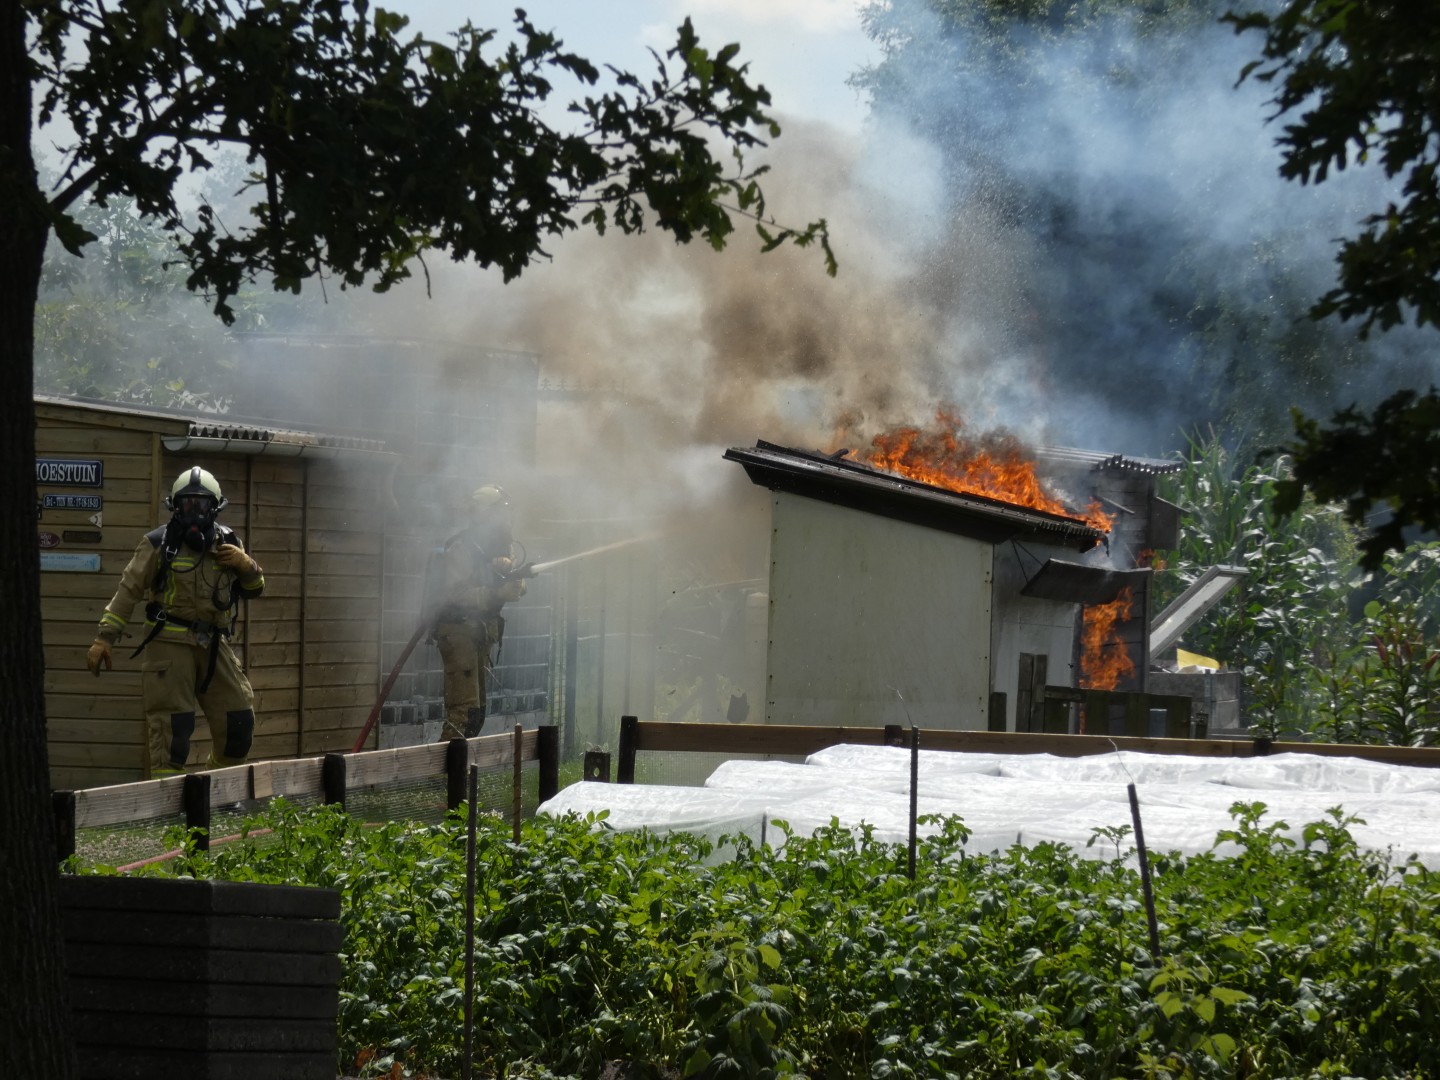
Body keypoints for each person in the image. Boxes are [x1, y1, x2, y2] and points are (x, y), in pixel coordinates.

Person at [86, 466, 265, 777]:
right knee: (173, 732)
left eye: (202, 504)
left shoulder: (230, 543)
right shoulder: (158, 543)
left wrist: (248, 567)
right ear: (174, 506)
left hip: (213, 645)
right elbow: (128, 590)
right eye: (187, 503)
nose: (194, 511)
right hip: (168, 645)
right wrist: (105, 637)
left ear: (216, 507)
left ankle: (218, 792)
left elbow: (254, 590)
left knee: (238, 721)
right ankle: (169, 813)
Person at [428, 484, 529, 740]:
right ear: (484, 515)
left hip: (477, 634)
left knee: (477, 714)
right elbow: (454, 596)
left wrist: (515, 583)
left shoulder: (499, 547)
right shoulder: (462, 549)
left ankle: (462, 775)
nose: (505, 520)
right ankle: (444, 777)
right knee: (464, 715)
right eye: (500, 513)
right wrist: (497, 594)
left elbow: (516, 584)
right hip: (458, 632)